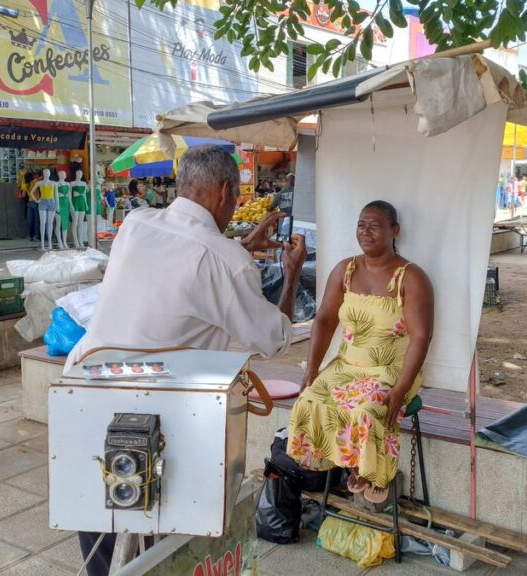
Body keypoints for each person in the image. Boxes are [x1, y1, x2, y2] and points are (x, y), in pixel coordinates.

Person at [63, 145, 307, 576]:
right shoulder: (227, 261)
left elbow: (184, 268)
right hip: (158, 407)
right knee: (162, 524)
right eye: (235, 200)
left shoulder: (136, 223)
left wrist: (237, 248)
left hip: (88, 385)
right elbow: (275, 337)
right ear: (226, 192)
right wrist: (289, 275)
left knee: (98, 501)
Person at [288, 200, 433, 504]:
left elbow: (421, 336)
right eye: (361, 225)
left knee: (366, 410)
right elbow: (325, 320)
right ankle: (349, 463)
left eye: (375, 226)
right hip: (347, 365)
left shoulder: (411, 277)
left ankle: (371, 472)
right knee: (309, 399)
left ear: (394, 231)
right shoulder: (345, 269)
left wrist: (401, 389)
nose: (366, 232)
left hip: (391, 370)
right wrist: (312, 369)